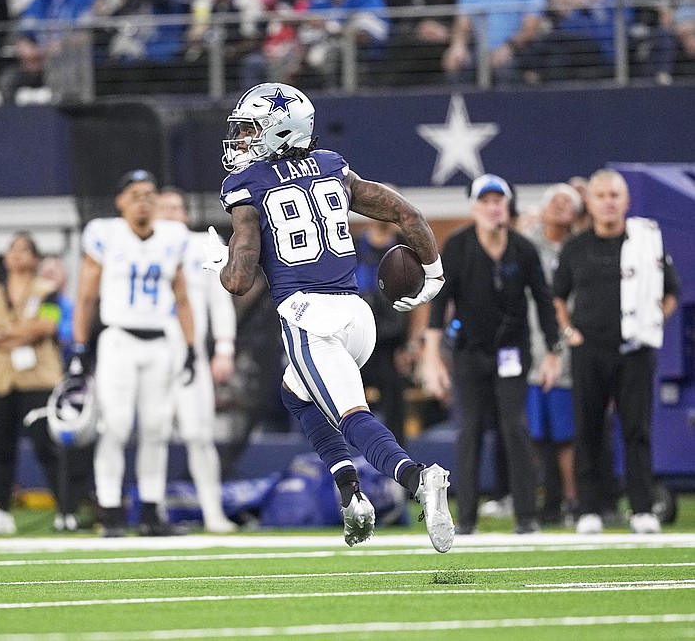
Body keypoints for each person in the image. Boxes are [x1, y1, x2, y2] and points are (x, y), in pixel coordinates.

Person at [207, 82, 453, 552]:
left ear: (279, 132)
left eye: (250, 131)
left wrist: (221, 262)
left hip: (310, 317)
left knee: (351, 415)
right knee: (296, 393)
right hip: (358, 317)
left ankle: (420, 478)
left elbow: (239, 280)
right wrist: (433, 272)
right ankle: (350, 493)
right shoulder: (332, 166)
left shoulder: (248, 185)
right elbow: (406, 212)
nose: (241, 141)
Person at [420, 174, 562, 535]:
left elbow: (544, 301)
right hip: (469, 352)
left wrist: (552, 353)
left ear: (507, 205)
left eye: (499, 200)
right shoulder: (458, 246)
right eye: (485, 201)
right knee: (469, 430)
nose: (493, 207)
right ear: (474, 207)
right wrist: (432, 356)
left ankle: (526, 516)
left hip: (513, 351)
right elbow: (439, 305)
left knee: (514, 426)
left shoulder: (522, 249)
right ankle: (466, 519)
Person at [553, 169, 681, 535]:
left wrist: (652, 323)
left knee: (637, 429)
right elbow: (557, 295)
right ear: (589, 203)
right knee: (588, 427)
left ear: (626, 201)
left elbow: (671, 292)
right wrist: (568, 331)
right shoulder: (575, 246)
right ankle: (589, 509)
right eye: (601, 196)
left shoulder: (646, 242)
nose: (608, 202)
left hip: (634, 350)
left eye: (615, 195)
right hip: (588, 348)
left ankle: (642, 509)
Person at [70, 169, 197, 537]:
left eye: (149, 193)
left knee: (157, 428)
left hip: (159, 341)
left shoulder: (173, 238)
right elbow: (85, 297)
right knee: (117, 425)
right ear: (120, 201)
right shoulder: (105, 235)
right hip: (118, 341)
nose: (144, 199)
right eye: (136, 193)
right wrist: (79, 347)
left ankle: (150, 513)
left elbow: (183, 297)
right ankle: (110, 511)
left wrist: (189, 346)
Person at [0, 233, 83, 534]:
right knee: (1, 447)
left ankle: (65, 510)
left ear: (35, 258)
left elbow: (46, 326)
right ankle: (0, 511)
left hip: (38, 378)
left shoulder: (47, 291)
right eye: (13, 249)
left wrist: (4, 333)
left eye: (25, 249)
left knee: (45, 444)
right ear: (5, 258)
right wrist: (20, 333)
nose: (18, 254)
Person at [156, 188, 238, 534]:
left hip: (193, 355)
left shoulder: (204, 243)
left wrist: (224, 347)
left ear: (186, 214)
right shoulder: (140, 247)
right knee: (153, 434)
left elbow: (220, 300)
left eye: (178, 208)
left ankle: (213, 512)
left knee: (200, 435)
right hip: (153, 353)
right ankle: (152, 511)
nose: (173, 213)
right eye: (166, 208)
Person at [523, 183, 582, 526]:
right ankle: (533, 501)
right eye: (554, 201)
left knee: (566, 436)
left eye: (568, 202)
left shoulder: (581, 246)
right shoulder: (528, 243)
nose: (561, 206)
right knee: (531, 434)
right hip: (531, 348)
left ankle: (572, 502)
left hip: (571, 351)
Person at [354, 217, 413, 443]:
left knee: (395, 409)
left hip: (392, 346)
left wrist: (411, 345)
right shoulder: (355, 247)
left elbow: (420, 303)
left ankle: (396, 469)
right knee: (346, 406)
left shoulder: (405, 250)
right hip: (357, 344)